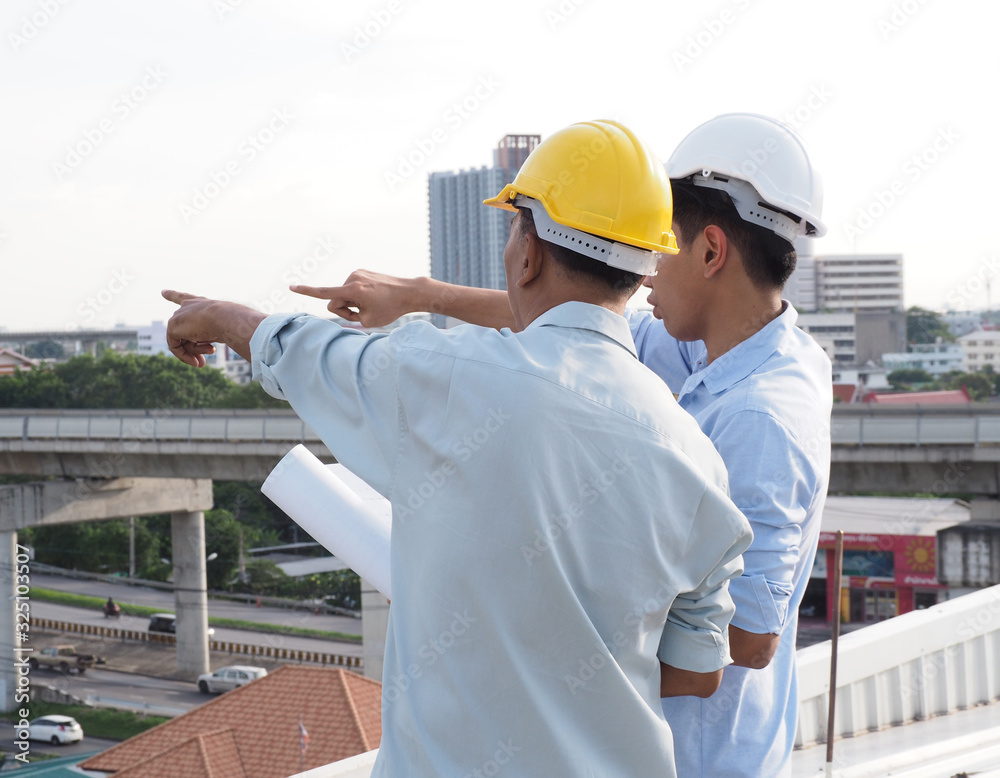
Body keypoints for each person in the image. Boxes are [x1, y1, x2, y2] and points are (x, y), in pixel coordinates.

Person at [161, 119, 753, 777]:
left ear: (528, 252)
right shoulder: (698, 460)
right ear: (643, 271)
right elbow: (698, 672)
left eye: (511, 231)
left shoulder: (444, 378)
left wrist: (213, 316)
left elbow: (305, 351)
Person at [294, 113, 832, 777]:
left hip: (700, 759)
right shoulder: (722, 351)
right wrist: (421, 296)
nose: (646, 277)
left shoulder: (761, 418)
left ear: (712, 252)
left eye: (658, 252)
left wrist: (534, 629)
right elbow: (577, 326)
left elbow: (748, 639)